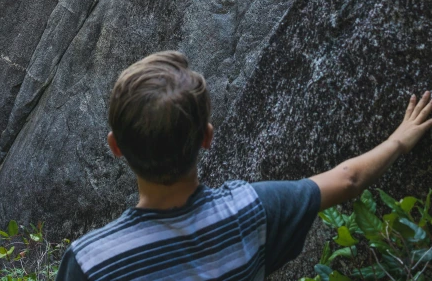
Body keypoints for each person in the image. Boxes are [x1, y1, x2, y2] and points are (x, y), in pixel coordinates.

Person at [56, 51, 432, 281]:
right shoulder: (251, 211)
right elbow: (348, 179)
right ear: (207, 136)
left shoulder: (91, 262)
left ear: (115, 146)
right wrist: (398, 140)